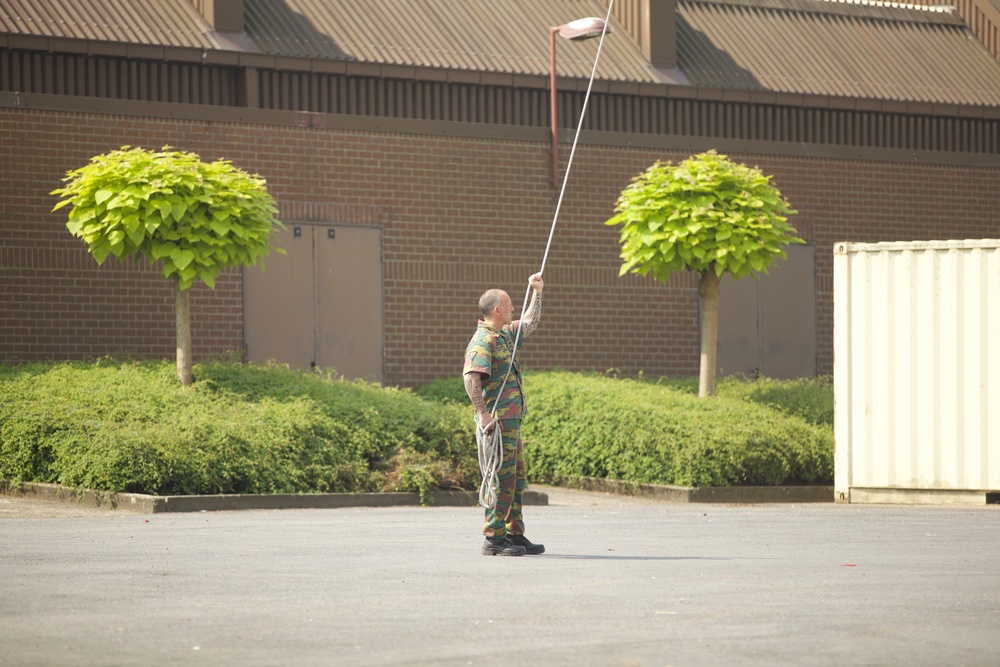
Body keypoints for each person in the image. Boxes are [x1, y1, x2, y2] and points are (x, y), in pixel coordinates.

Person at [463, 273, 546, 557]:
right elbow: (472, 378)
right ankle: (493, 538)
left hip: (512, 421)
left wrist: (537, 291)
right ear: (497, 310)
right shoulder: (483, 340)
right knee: (501, 479)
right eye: (509, 305)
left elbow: (530, 322)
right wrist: (483, 414)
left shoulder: (504, 334)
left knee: (516, 478)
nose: (513, 309)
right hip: (498, 422)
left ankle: (514, 534)